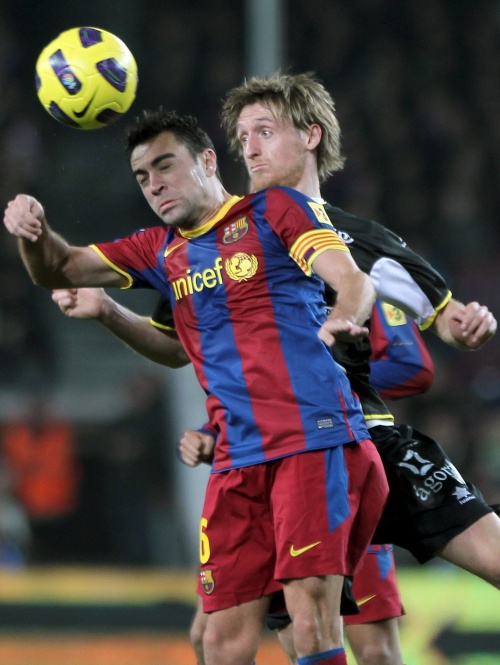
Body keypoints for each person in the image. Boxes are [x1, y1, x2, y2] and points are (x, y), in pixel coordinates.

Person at [51, 72, 499, 665]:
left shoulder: (356, 238)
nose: (250, 149)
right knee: (237, 635)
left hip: (357, 441)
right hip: (279, 457)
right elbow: (189, 347)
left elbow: (437, 331)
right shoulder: (210, 243)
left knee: (407, 616)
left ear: (311, 137)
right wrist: (217, 425)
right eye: (242, 137)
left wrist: (463, 327)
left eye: (264, 132)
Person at [3, 110, 389, 665]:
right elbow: (58, 268)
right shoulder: (159, 250)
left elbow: (353, 280)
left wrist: (343, 317)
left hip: (313, 438)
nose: (154, 184)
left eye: (165, 166)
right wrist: (35, 235)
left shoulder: (273, 211)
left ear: (208, 161)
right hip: (236, 459)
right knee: (216, 641)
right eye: (142, 176)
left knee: (309, 621)